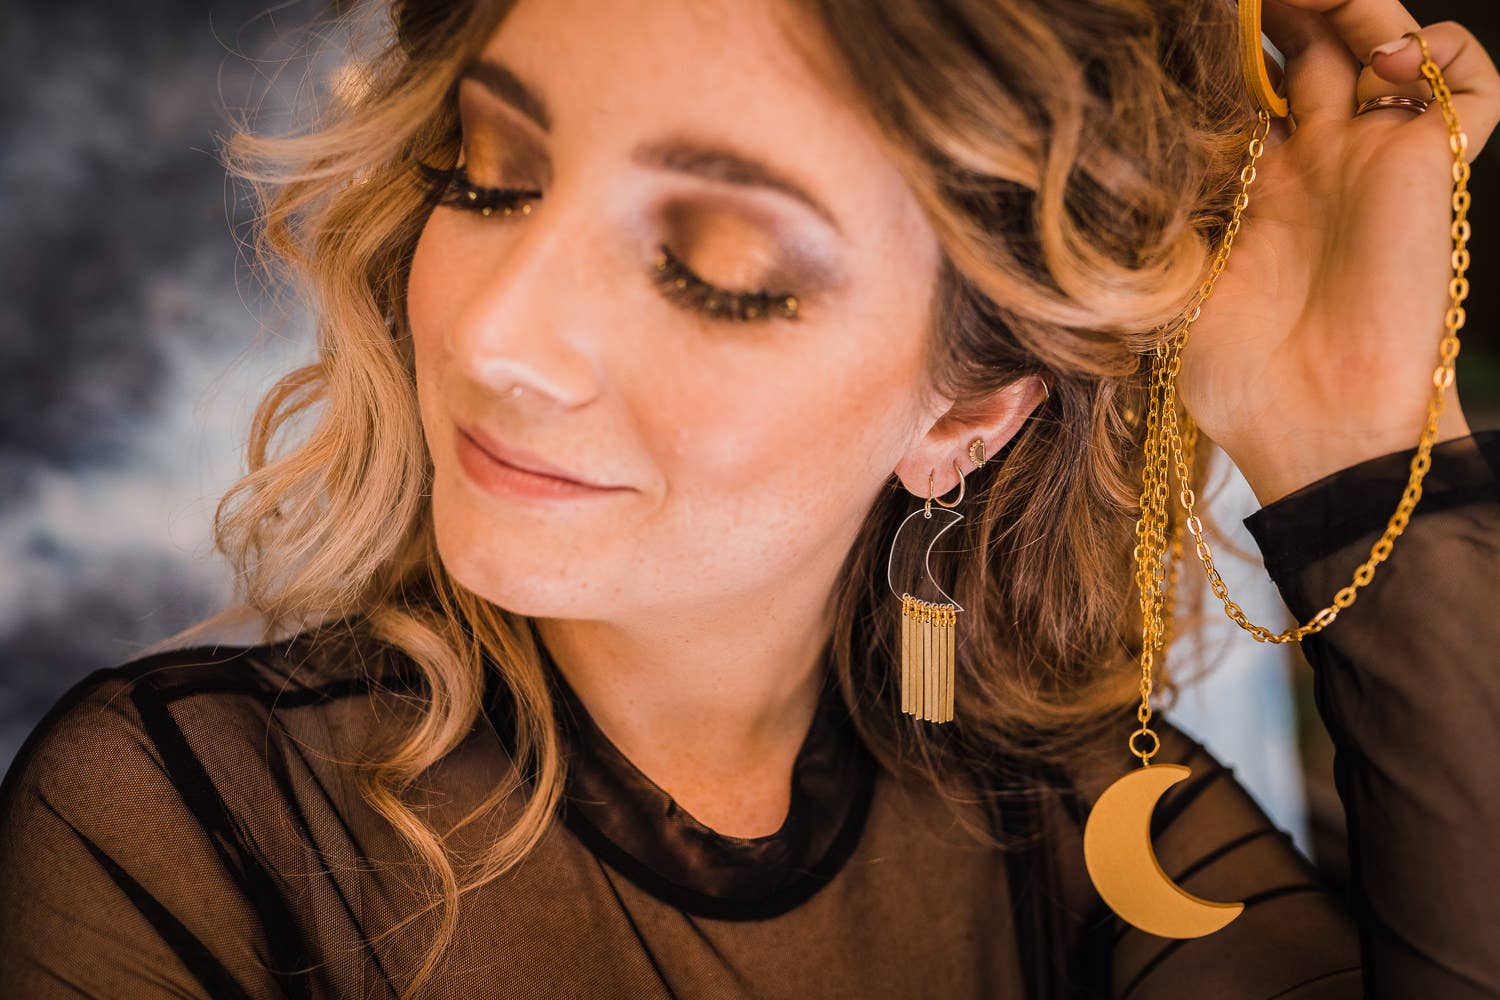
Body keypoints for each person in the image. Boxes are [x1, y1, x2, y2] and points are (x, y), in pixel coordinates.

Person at [2, 0, 1498, 996]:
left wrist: (1356, 429)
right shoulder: (184, 830)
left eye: (721, 272)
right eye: (490, 175)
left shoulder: (1090, 838)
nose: (499, 334)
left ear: (966, 413)